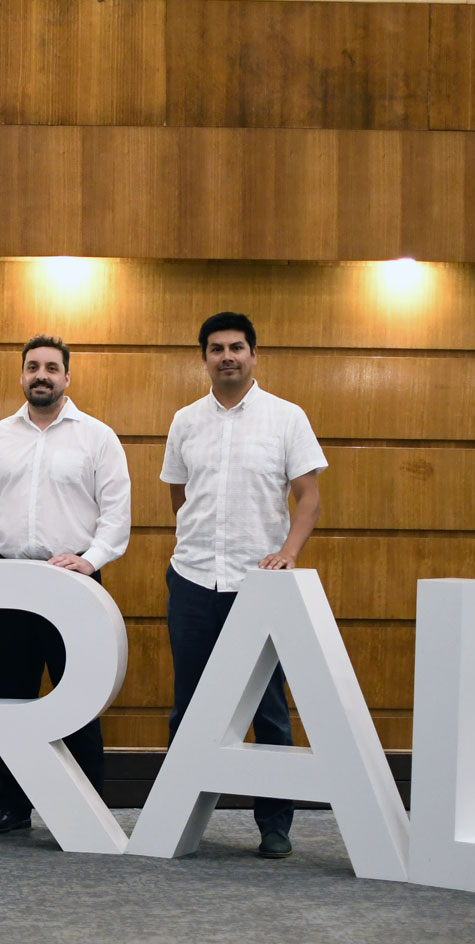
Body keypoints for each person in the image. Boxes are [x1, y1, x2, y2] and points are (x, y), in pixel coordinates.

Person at [0, 336, 131, 836]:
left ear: (67, 376)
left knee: (79, 700)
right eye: (33, 367)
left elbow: (116, 516)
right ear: (22, 375)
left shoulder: (97, 437)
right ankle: (13, 807)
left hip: (75, 584)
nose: (41, 375)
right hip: (9, 583)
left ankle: (89, 810)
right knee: (13, 699)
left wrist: (90, 561)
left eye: (51, 367)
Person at [160, 312, 325, 859]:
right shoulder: (185, 421)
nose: (226, 356)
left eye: (236, 347)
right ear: (204, 358)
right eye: (216, 349)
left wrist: (289, 553)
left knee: (268, 708)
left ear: (254, 354)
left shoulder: (286, 417)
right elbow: (180, 495)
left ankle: (274, 825)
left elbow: (308, 497)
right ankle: (176, 817)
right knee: (189, 704)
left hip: (258, 584)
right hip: (192, 578)